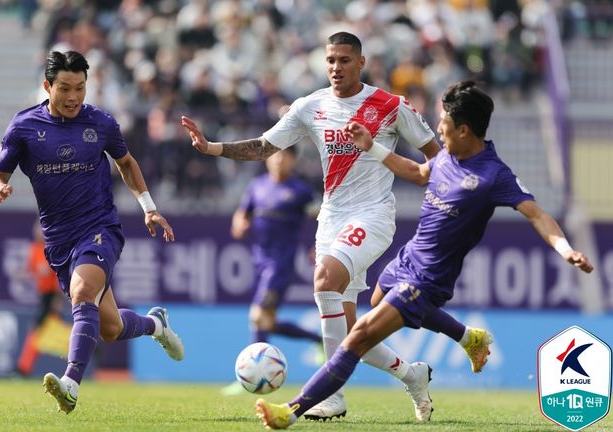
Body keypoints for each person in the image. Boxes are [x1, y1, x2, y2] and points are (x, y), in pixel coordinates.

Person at [182, 32, 490, 421]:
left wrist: (453, 201)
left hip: (374, 215)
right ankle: (413, 375)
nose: (336, 67)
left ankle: (333, 397)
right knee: (350, 333)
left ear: (361, 63)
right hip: (331, 220)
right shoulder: (311, 106)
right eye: (330, 60)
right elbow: (264, 146)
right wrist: (212, 148)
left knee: (325, 279)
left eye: (344, 60)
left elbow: (437, 156)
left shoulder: (390, 105)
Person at [254, 80, 595, 429]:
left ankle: (291, 411)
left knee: (356, 337)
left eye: (443, 124)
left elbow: (537, 213)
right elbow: (417, 173)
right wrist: (372, 147)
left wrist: (566, 250)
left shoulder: (494, 175)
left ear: (464, 129)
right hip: (406, 260)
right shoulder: (448, 155)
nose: (437, 131)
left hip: (427, 280)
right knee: (372, 309)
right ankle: (467, 338)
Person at [0, 50, 184, 414]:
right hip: (58, 240)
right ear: (48, 86)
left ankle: (71, 384)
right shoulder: (24, 127)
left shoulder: (101, 123)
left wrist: (149, 207)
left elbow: (125, 162)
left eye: (80, 87)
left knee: (82, 292)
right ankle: (157, 325)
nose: (74, 96)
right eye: (65, 88)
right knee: (109, 327)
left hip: (99, 228)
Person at [222, 146, 323, 396]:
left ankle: (255, 372)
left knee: (257, 316)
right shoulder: (257, 186)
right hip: (259, 260)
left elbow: (322, 217)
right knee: (266, 321)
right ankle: (318, 339)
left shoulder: (300, 191)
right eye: (274, 155)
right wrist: (239, 223)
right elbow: (241, 213)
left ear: (292, 160)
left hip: (281, 262)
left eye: (285, 155)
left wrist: (318, 245)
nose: (278, 159)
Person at [15, 219, 66, 376]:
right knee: (44, 330)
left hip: (52, 296)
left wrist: (58, 299)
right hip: (43, 296)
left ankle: (23, 368)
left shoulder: (52, 248)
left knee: (39, 330)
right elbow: (32, 271)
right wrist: (22, 275)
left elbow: (59, 275)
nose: (38, 231)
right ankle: (23, 368)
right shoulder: (34, 249)